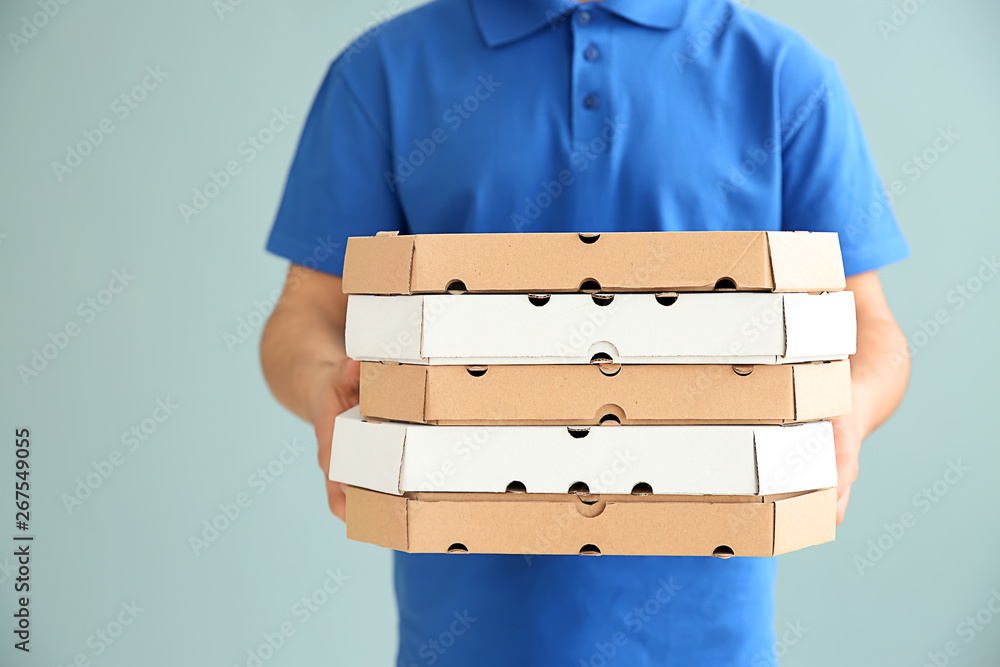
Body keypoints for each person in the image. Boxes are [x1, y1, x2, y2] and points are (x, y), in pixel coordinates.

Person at [259, 0, 911, 663]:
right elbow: (306, 312)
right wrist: (327, 395)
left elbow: (871, 330)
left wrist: (847, 413)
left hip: (711, 642)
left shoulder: (782, 75)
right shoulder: (381, 71)